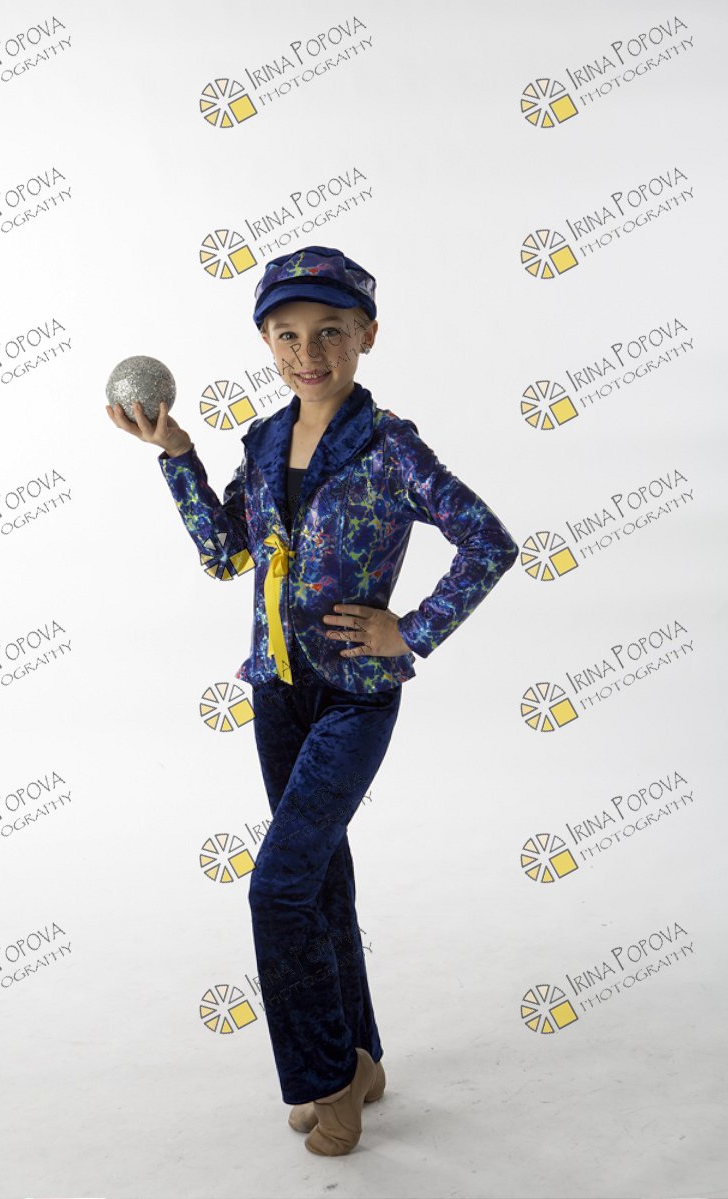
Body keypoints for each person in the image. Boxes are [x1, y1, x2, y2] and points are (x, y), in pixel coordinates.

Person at [106, 245, 519, 1157]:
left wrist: (412, 628)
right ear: (266, 342)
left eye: (330, 332)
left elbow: (489, 542)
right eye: (287, 335)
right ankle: (361, 1058)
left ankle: (326, 1082)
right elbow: (227, 555)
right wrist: (177, 455)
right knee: (321, 875)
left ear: (367, 334)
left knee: (277, 888)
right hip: (277, 691)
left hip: (353, 695)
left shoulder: (390, 446)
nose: (309, 353)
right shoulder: (261, 440)